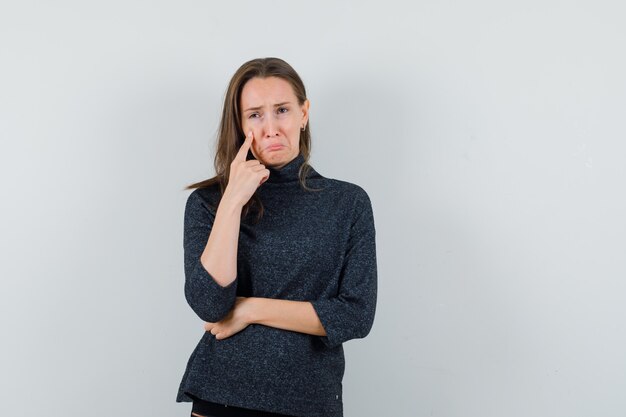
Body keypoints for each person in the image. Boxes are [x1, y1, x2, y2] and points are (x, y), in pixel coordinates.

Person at [176, 57, 377, 417]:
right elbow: (209, 305)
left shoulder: (348, 203)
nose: (271, 127)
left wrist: (251, 309)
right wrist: (233, 200)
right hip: (222, 396)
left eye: (282, 110)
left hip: (310, 400)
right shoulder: (209, 204)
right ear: (240, 124)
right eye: (255, 114)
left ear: (304, 113)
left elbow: (356, 315)